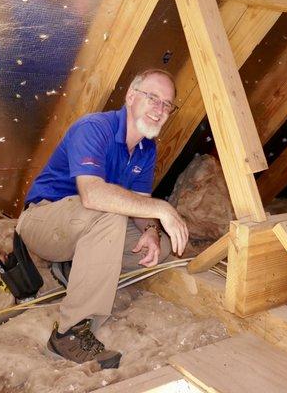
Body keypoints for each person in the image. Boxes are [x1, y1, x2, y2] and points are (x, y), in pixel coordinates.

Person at [16, 69, 189, 367]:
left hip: (84, 226)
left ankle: (74, 267)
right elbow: (93, 195)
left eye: (167, 104)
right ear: (131, 97)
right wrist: (163, 210)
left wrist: (150, 230)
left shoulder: (146, 148)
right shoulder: (95, 128)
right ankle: (70, 334)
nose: (160, 109)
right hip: (43, 220)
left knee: (158, 249)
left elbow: (140, 206)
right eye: (153, 98)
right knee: (107, 216)